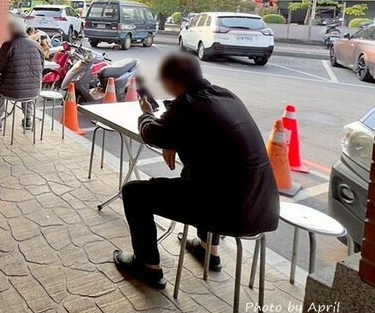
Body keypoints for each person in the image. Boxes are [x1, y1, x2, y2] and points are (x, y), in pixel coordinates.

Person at [113, 52, 279, 289]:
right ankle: (208, 250)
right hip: (262, 205)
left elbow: (152, 134)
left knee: (134, 193)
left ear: (172, 82)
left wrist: (146, 114)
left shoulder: (187, 107)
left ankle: (148, 266)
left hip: (229, 211)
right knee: (199, 173)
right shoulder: (224, 95)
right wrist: (173, 137)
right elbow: (197, 130)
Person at [0, 18, 43, 130]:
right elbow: (41, 66)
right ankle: (28, 120)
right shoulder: (37, 46)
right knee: (28, 89)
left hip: (11, 89)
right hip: (34, 90)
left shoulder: (8, 45)